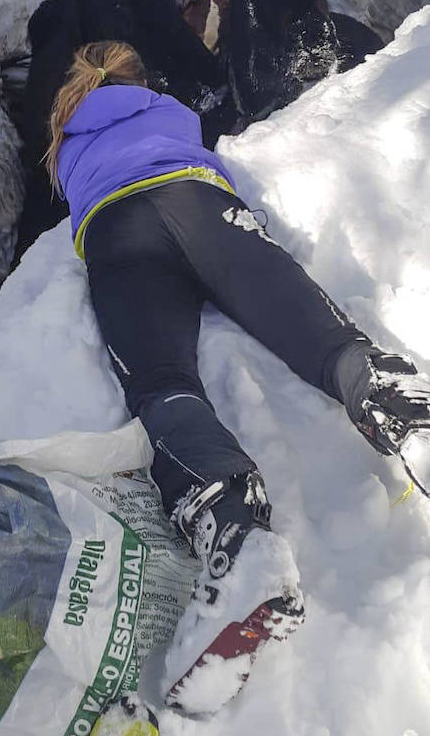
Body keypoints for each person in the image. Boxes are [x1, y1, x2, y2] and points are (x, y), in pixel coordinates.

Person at [44, 39, 430, 658]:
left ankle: (232, 528)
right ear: (141, 79)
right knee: (319, 336)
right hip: (198, 201)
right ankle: (403, 411)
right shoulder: (168, 110)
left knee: (161, 381)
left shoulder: (65, 145)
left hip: (119, 235)